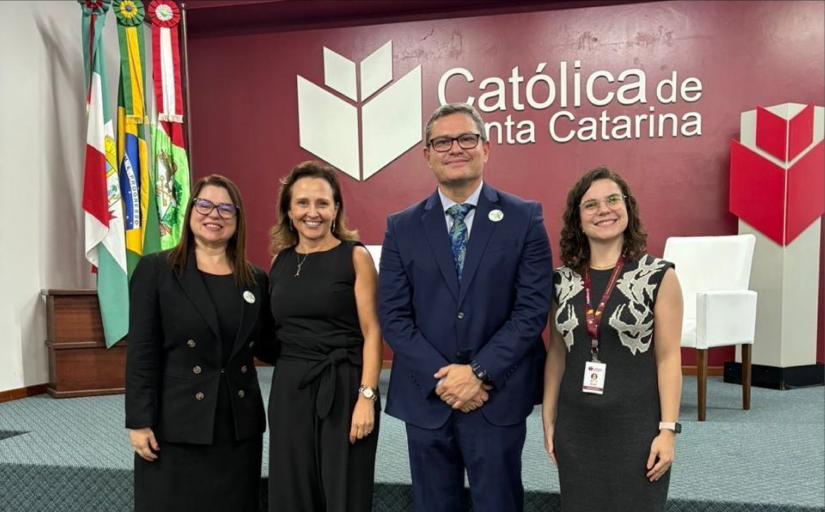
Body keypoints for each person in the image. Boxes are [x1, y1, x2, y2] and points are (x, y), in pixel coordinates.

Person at [378, 102, 554, 512]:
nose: (455, 148)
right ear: (427, 155)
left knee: (499, 503)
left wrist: (477, 373)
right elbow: (394, 316)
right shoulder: (401, 227)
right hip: (427, 396)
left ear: (486, 148)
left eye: (466, 138)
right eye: (442, 141)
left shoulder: (524, 218)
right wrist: (444, 380)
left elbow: (530, 311)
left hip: (496, 394)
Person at [542, 166, 684, 512]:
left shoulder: (658, 276)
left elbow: (668, 359)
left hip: (636, 429)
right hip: (576, 427)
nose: (603, 210)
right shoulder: (561, 282)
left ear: (628, 208)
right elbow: (557, 355)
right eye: (590, 205)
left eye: (612, 200)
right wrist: (549, 420)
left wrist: (668, 430)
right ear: (578, 218)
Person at [125, 174, 270, 512]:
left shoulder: (256, 279)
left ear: (238, 219)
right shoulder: (156, 270)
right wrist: (139, 420)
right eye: (204, 205)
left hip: (237, 426)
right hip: (175, 425)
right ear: (190, 212)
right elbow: (142, 352)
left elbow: (269, 346)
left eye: (225, 208)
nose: (213, 215)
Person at [263, 160, 382, 512]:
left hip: (343, 386)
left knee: (343, 492)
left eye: (322, 203)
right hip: (289, 388)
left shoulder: (355, 256)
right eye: (302, 202)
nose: (311, 212)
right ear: (288, 209)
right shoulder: (279, 262)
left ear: (336, 209)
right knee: (292, 490)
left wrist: (367, 397)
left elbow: (373, 332)